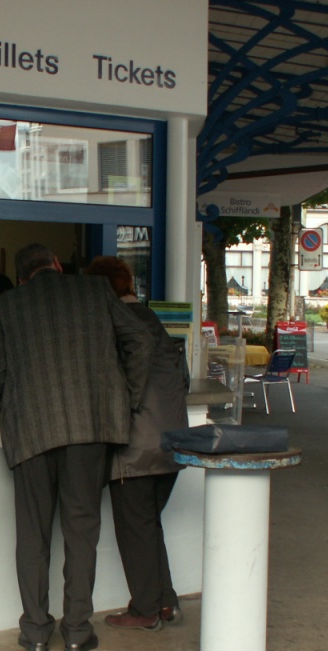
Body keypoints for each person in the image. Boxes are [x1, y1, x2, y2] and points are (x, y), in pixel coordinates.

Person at [0, 243, 151, 651]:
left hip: (30, 430)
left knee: (32, 535)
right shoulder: (94, 291)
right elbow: (140, 341)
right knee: (81, 532)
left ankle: (36, 632)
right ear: (57, 265)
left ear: (21, 277)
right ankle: (76, 631)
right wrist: (124, 398)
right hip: (86, 429)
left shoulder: (6, 305)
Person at [84, 256, 189, 631]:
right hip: (173, 440)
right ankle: (165, 602)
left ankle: (146, 610)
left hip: (136, 447)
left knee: (135, 532)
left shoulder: (115, 322)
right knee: (149, 526)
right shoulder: (151, 318)